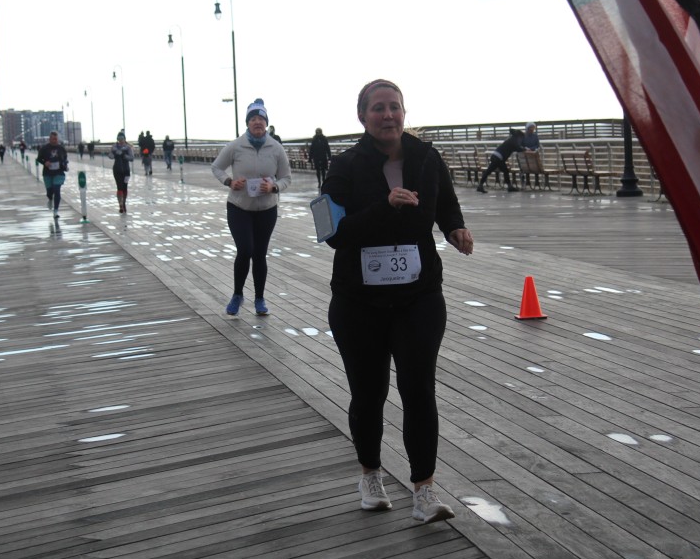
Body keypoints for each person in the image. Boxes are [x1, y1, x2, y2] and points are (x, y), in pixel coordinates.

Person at [320, 79, 473, 524]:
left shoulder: (427, 158)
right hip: (359, 301)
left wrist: (455, 229)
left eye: (395, 107)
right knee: (369, 393)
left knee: (419, 389)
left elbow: (446, 205)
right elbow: (333, 233)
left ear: (404, 112)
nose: (388, 115)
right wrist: (385, 207)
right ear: (362, 117)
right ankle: (370, 475)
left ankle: (424, 490)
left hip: (418, 296)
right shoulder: (344, 166)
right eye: (378, 108)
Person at [211, 98, 291, 316]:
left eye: (261, 119)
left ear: (266, 123)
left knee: (259, 254)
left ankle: (259, 299)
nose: (257, 122)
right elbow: (217, 167)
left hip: (266, 210)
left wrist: (274, 187)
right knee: (245, 249)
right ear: (247, 123)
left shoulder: (276, 148)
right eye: (253, 119)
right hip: (239, 207)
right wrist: (229, 182)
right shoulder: (236, 146)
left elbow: (286, 177)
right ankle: (237, 294)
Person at [476, 128, 525, 193]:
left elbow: (515, 148)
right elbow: (518, 148)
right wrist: (525, 149)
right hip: (498, 158)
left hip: (496, 156)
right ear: (519, 136)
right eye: (521, 137)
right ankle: (480, 185)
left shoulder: (511, 139)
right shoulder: (514, 140)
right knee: (491, 171)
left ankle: (509, 186)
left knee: (503, 170)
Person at [35, 131, 69, 218]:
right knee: (49, 192)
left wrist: (65, 165)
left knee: (57, 189)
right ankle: (50, 199)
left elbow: (65, 159)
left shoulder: (61, 148)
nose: (55, 140)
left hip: (59, 172)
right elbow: (38, 159)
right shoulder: (44, 148)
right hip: (47, 173)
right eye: (53, 139)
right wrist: (45, 162)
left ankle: (56, 211)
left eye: (56, 139)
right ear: (49, 139)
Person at [108, 131, 134, 213]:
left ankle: (124, 202)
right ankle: (120, 204)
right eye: (119, 139)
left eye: (122, 138)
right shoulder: (114, 147)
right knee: (119, 187)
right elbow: (110, 156)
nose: (120, 140)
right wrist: (114, 153)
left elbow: (132, 158)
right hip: (117, 170)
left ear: (124, 139)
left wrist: (124, 156)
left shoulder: (128, 147)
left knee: (125, 187)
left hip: (126, 171)